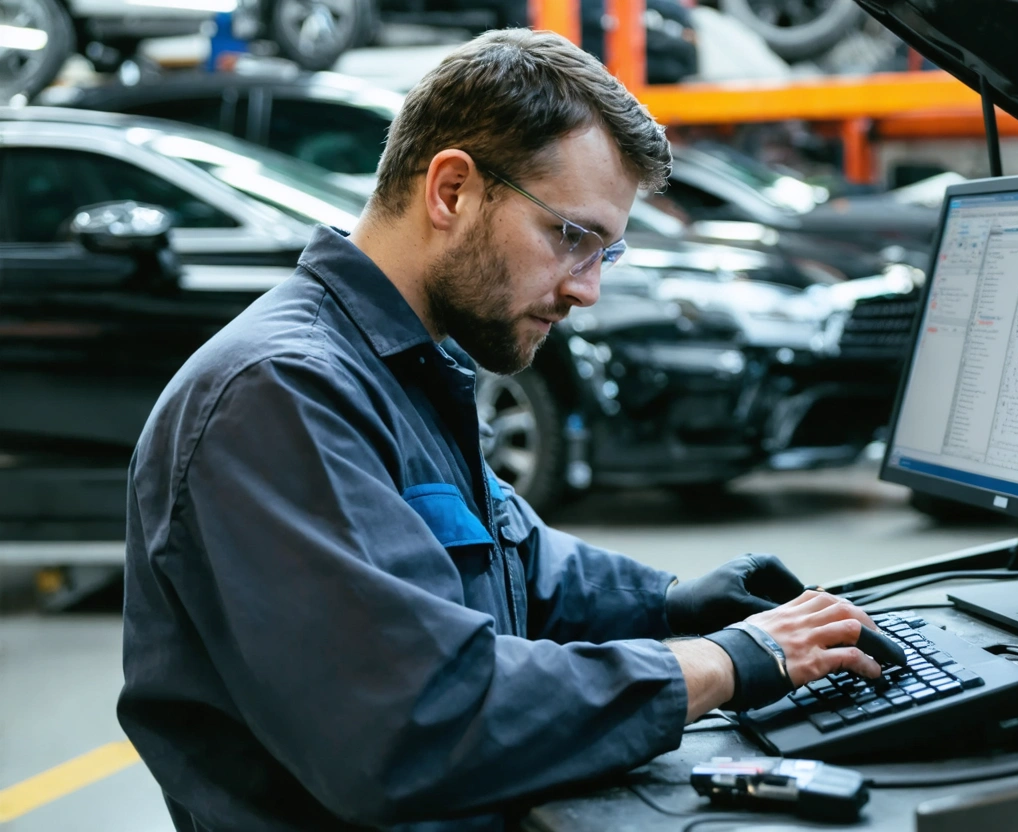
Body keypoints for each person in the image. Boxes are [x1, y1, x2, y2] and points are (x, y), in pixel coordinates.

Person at [118, 28, 882, 832]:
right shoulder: (280, 394)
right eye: (571, 236)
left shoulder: (401, 367)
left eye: (606, 254)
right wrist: (723, 662)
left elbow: (521, 563)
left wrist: (675, 603)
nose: (587, 289)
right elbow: (414, 722)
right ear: (451, 190)